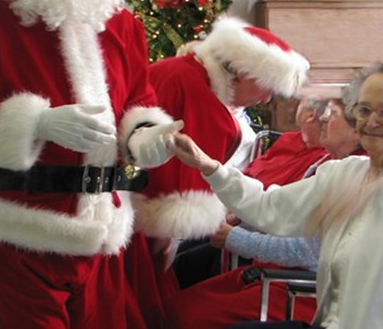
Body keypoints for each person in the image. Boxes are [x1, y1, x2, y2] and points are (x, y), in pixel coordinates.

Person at [0, 0, 184, 328]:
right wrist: (37, 122)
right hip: (16, 224)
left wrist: (142, 138)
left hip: (100, 228)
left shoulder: (122, 22)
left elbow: (137, 101)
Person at [173, 59, 383, 329]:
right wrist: (209, 166)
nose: (371, 121)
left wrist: (380, 197)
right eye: (364, 110)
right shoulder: (347, 172)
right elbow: (269, 206)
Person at [124, 16, 310, 324]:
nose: (266, 99)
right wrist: (171, 230)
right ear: (240, 70)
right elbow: (179, 180)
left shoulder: (187, 73)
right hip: (144, 220)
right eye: (267, 87)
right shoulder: (198, 93)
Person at [164, 96, 367, 328]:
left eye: (332, 114)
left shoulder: (356, 175)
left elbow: (306, 253)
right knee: (174, 302)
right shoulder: (335, 165)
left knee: (186, 316)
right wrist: (208, 167)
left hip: (304, 291)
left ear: (357, 131)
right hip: (271, 273)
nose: (322, 117)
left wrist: (234, 237)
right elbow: (272, 204)